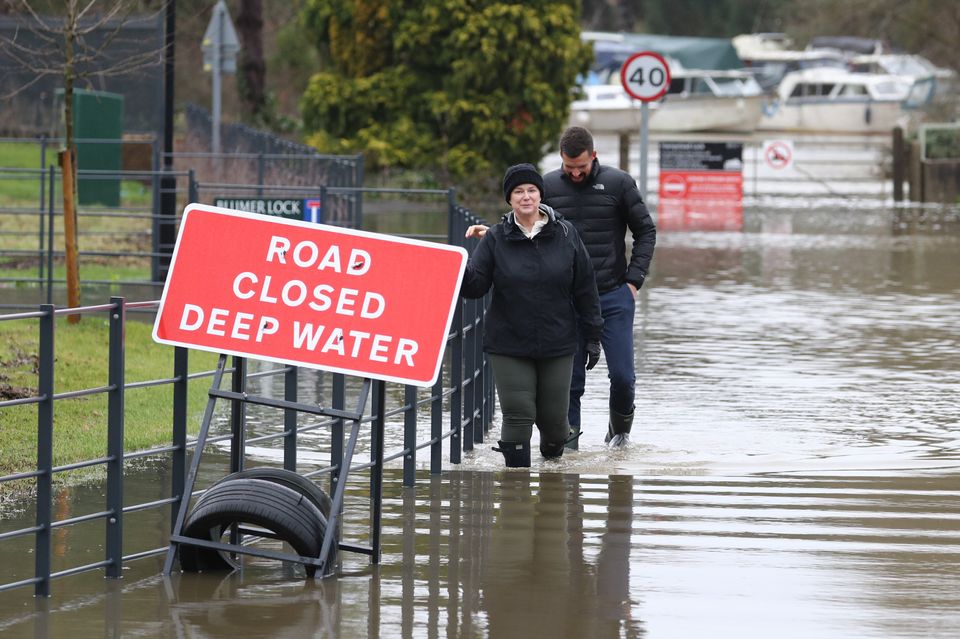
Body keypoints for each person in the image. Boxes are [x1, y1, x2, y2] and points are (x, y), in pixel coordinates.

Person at [466, 127, 656, 448]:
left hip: (612, 294)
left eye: (581, 166)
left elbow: (646, 232)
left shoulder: (619, 183)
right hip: (565, 300)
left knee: (623, 377)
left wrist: (633, 282)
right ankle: (569, 455)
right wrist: (496, 235)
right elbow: (527, 218)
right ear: (561, 160)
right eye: (569, 167)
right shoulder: (548, 186)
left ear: (593, 156)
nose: (576, 173)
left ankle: (619, 432)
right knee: (571, 385)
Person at [460, 163, 603, 468]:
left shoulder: (566, 234)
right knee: (518, 413)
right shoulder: (496, 238)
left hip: (557, 341)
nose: (526, 196)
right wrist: (454, 268)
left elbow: (586, 289)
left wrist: (593, 336)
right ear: (509, 200)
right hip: (508, 343)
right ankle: (516, 496)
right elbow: (475, 286)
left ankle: (552, 483)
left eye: (532, 190)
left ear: (541, 195)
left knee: (554, 424)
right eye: (518, 191)